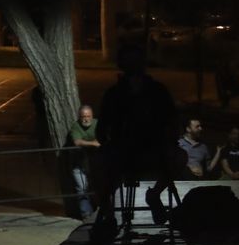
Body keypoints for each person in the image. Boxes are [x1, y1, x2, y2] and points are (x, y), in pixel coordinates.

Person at [96, 44, 179, 228]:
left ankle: (154, 194)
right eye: (129, 60)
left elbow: (172, 119)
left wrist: (169, 141)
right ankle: (109, 216)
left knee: (178, 157)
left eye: (136, 60)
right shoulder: (114, 94)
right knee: (100, 167)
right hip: (122, 150)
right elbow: (101, 128)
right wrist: (108, 145)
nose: (133, 65)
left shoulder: (157, 91)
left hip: (153, 149)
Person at [66, 103, 100, 220]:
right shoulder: (76, 126)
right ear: (79, 117)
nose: (86, 119)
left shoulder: (97, 124)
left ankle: (100, 211)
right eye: (83, 117)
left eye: (88, 116)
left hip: (95, 162)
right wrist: (93, 143)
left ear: (92, 116)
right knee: (82, 189)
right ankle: (86, 214)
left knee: (97, 186)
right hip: (79, 163)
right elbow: (77, 142)